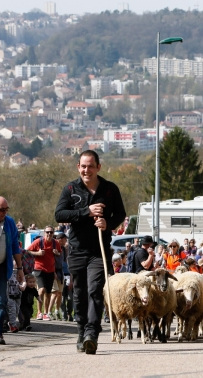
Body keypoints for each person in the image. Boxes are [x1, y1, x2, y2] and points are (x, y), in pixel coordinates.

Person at [55, 150, 126, 355]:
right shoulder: (70, 188)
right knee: (79, 294)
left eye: (91, 166)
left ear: (98, 167)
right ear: (79, 167)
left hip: (99, 250)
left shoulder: (110, 189)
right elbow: (59, 214)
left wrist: (108, 223)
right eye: (83, 166)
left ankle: (91, 334)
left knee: (95, 290)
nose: (87, 170)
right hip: (77, 250)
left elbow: (120, 214)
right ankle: (80, 332)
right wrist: (87, 211)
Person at [0, 196, 24, 345]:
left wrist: (19, 269)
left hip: (2, 268)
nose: (4, 213)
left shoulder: (10, 222)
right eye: (1, 210)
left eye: (6, 210)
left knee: (1, 302)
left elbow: (15, 246)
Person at [26, 225, 59, 321]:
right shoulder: (38, 242)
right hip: (39, 269)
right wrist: (38, 253)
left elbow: (59, 253)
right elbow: (28, 250)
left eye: (51, 232)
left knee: (48, 293)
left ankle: (46, 313)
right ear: (44, 233)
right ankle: (39, 312)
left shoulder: (55, 243)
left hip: (51, 270)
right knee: (41, 290)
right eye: (47, 232)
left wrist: (57, 253)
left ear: (53, 233)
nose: (49, 234)